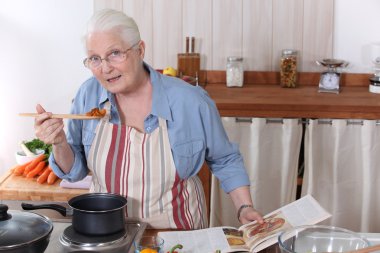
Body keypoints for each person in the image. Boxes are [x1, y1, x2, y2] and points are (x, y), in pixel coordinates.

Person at [34, 9, 263, 229]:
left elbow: (225, 158)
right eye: (95, 58)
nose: (105, 68)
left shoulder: (190, 100)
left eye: (115, 53)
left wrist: (244, 207)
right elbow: (75, 172)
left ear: (140, 50)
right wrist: (59, 142)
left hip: (177, 230)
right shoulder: (88, 95)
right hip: (109, 232)